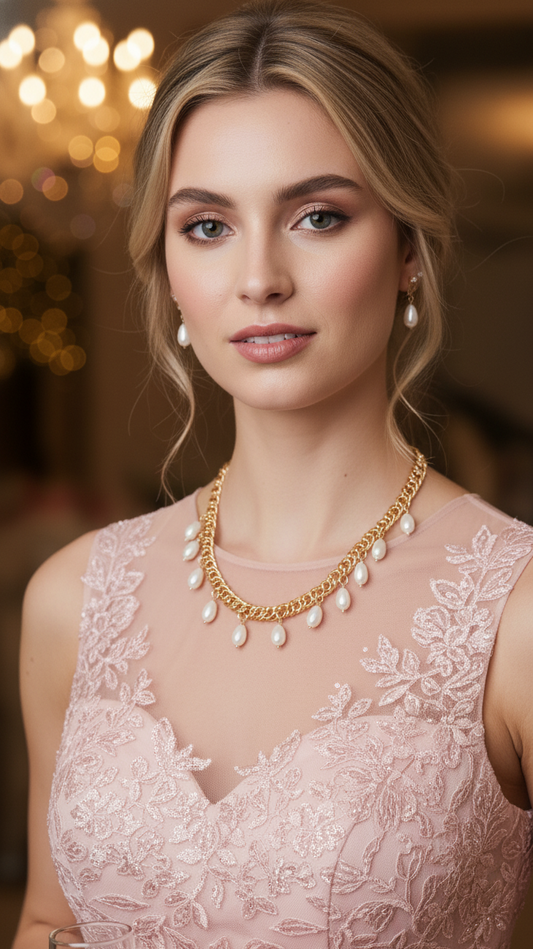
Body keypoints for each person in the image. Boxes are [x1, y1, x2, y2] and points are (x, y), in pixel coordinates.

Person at [14, 1, 533, 946]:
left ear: (408, 250)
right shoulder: (73, 598)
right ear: (169, 271)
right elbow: (50, 920)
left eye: (317, 216)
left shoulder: (516, 612)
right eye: (207, 226)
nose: (259, 276)